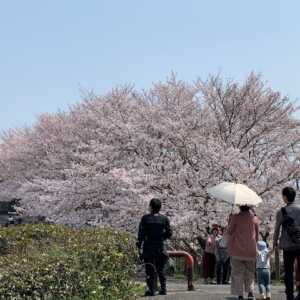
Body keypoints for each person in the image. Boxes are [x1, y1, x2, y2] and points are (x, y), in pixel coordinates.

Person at [137, 198, 172, 297]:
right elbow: (169, 233)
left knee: (149, 269)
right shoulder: (164, 219)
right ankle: (164, 289)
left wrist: (139, 245)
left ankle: (151, 290)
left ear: (151, 207)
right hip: (160, 247)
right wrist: (161, 237)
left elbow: (141, 234)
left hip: (149, 247)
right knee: (160, 269)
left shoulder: (145, 218)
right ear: (160, 207)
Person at [227, 205, 259, 300]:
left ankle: (240, 294)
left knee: (237, 272)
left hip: (237, 250)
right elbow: (257, 235)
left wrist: (230, 221)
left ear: (240, 206)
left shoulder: (235, 217)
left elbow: (229, 231)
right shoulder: (254, 218)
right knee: (250, 272)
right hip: (251, 249)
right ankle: (250, 292)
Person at [273, 187, 300, 300]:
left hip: (287, 246)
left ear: (285, 197)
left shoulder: (281, 211)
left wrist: (275, 243)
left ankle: (289, 295)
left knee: (288, 271)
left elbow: (277, 229)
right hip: (299, 244)